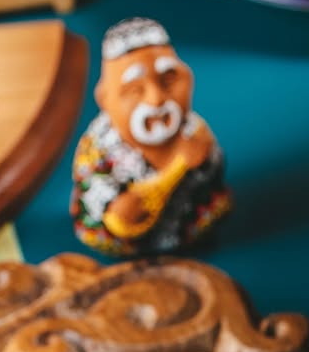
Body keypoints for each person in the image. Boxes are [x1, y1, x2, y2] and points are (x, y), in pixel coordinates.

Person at [70, 16, 231, 255]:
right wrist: (115, 206)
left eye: (169, 81)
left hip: (186, 223)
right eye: (135, 90)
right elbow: (95, 188)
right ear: (105, 99)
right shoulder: (99, 147)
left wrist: (203, 160)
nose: (156, 99)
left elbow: (213, 169)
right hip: (129, 237)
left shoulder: (193, 129)